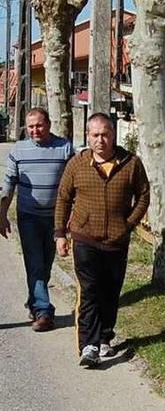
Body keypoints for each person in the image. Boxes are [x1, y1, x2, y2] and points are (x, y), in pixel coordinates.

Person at [54, 113, 150, 367]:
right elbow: (63, 198)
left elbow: (143, 195)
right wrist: (60, 234)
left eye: (105, 134)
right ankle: (89, 345)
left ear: (113, 135)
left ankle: (105, 334)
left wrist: (128, 224)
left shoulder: (131, 163)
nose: (100, 140)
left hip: (117, 241)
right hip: (85, 238)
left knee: (110, 290)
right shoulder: (77, 164)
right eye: (95, 135)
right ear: (88, 136)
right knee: (89, 291)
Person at [0, 108, 75, 331]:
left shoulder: (65, 148)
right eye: (31, 126)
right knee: (34, 262)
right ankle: (44, 311)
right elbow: (8, 184)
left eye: (39, 125)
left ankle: (35, 299)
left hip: (56, 217)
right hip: (29, 217)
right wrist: (2, 214)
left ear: (49, 124)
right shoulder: (18, 150)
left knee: (46, 263)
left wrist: (74, 213)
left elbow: (75, 184)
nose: (35, 130)